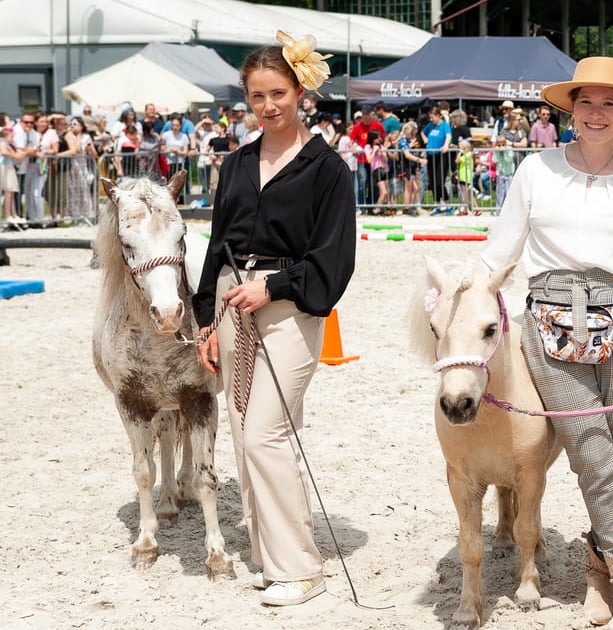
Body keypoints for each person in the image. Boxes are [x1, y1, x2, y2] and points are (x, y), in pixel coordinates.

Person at [481, 56, 613, 630]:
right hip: (548, 323)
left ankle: (598, 564)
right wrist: (462, 293)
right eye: (586, 102)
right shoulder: (535, 171)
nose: (596, 114)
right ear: (571, 110)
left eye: (608, 104)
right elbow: (500, 252)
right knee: (589, 447)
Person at [193, 31, 356, 608]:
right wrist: (205, 324)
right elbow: (217, 246)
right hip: (231, 304)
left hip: (292, 309)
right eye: (257, 96)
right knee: (245, 435)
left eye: (278, 93)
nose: (268, 106)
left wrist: (275, 286)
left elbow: (335, 260)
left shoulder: (328, 169)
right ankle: (269, 551)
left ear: (300, 91)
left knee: (266, 430)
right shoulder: (235, 164)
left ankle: (301, 567)